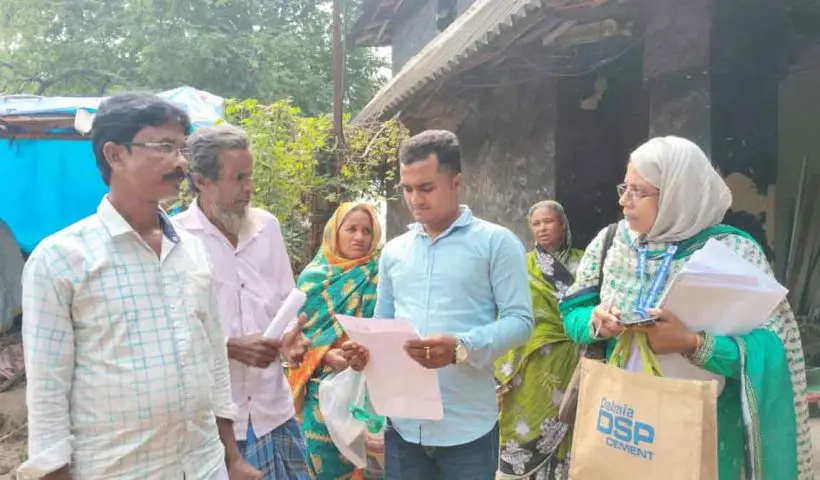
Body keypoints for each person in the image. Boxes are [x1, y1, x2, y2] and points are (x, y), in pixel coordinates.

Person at [19, 93, 261, 479]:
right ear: (115, 155)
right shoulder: (60, 259)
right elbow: (47, 394)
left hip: (204, 466)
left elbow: (214, 359)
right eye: (164, 147)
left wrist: (232, 459)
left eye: (182, 148)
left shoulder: (192, 250)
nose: (180, 162)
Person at [559, 136, 813, 479]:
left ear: (678, 192)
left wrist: (693, 343)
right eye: (624, 187)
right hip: (623, 421)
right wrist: (595, 322)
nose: (623, 200)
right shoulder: (610, 244)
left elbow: (772, 352)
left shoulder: (734, 252)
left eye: (638, 191)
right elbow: (572, 314)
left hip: (707, 431)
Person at [342, 130, 534, 480]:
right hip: (402, 428)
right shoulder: (395, 251)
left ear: (456, 182)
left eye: (426, 188)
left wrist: (462, 346)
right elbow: (383, 324)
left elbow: (520, 321)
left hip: (467, 429)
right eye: (407, 189)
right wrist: (364, 352)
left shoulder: (496, 243)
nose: (415, 199)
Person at [173, 124, 311, 480]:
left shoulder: (267, 227)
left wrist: (291, 338)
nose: (249, 188)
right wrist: (230, 347)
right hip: (216, 424)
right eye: (238, 178)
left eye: (250, 176)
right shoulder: (177, 240)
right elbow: (171, 333)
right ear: (201, 181)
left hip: (273, 411)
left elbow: (285, 300)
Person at [287, 202, 383, 480]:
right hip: (320, 391)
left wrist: (358, 356)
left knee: (370, 465)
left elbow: (386, 329)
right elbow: (295, 338)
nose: (359, 237)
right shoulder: (312, 279)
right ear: (334, 233)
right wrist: (325, 355)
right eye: (351, 229)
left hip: (368, 392)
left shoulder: (379, 275)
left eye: (366, 230)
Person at [495, 200, 584, 479]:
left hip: (575, 361)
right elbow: (507, 314)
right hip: (531, 363)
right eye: (536, 223)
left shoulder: (585, 261)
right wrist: (499, 371)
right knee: (529, 417)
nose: (542, 228)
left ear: (563, 225)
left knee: (571, 420)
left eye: (549, 221)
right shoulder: (522, 265)